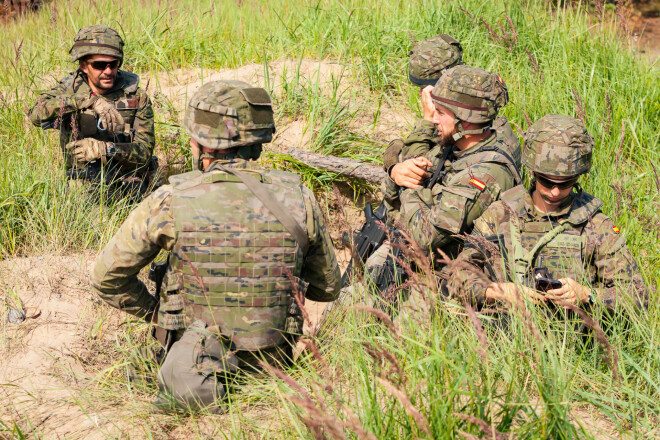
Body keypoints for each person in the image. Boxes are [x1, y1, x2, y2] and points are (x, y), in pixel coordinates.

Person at [90, 80, 341, 413]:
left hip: (191, 368)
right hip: (271, 374)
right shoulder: (300, 199)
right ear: (259, 142)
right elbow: (327, 289)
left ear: (198, 144)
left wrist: (154, 313)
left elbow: (105, 278)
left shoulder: (171, 200)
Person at [445, 114, 647, 311]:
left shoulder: (594, 224)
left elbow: (638, 294)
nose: (555, 191)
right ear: (533, 172)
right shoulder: (500, 214)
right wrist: (498, 292)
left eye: (566, 183)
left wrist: (587, 294)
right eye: (547, 181)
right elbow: (458, 277)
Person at [381, 65, 521, 261]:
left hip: (449, 280)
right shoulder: (457, 142)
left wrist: (409, 185)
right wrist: (397, 171)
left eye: (440, 113)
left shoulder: (484, 174)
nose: (433, 119)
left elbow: (423, 236)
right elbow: (412, 159)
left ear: (467, 121)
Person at [28, 25, 156, 201]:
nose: (108, 71)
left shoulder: (135, 94)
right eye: (99, 65)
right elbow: (35, 114)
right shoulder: (69, 89)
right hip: (84, 181)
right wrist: (86, 100)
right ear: (84, 65)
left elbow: (144, 153)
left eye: (114, 64)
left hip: (129, 177)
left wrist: (105, 149)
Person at [382, 34, 521, 188]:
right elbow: (412, 157)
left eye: (427, 88)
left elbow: (415, 165)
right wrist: (394, 167)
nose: (423, 95)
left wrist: (427, 120)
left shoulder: (471, 125)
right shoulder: (469, 114)